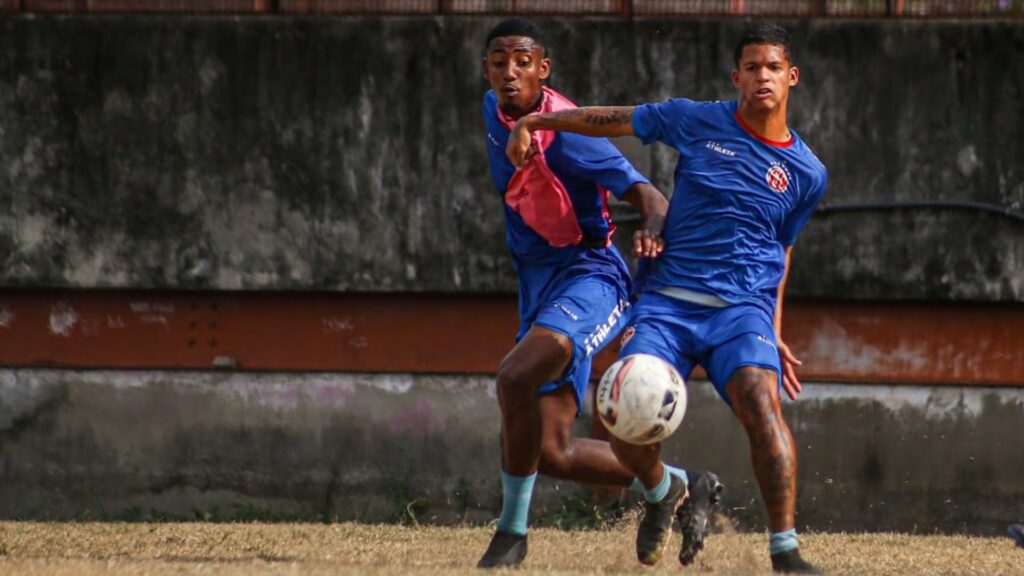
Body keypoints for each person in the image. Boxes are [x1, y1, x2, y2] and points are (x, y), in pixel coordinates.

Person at [506, 23, 828, 574]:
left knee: (759, 400)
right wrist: (539, 119)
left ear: (791, 76)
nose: (762, 77)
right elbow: (613, 120)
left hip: (741, 310)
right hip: (666, 303)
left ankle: (785, 551)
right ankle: (662, 492)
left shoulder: (808, 173)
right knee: (620, 405)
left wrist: (772, 326)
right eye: (751, 67)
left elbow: (783, 248)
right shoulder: (698, 120)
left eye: (772, 67)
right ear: (736, 77)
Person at [477, 17, 723, 569]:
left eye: (523, 62)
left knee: (515, 377)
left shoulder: (569, 139)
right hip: (538, 285)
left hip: (591, 276)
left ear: (545, 70)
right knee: (552, 451)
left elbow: (651, 196)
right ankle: (676, 486)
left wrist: (653, 229)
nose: (510, 72)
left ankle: (510, 536)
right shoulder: (493, 109)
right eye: (499, 61)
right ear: (486, 69)